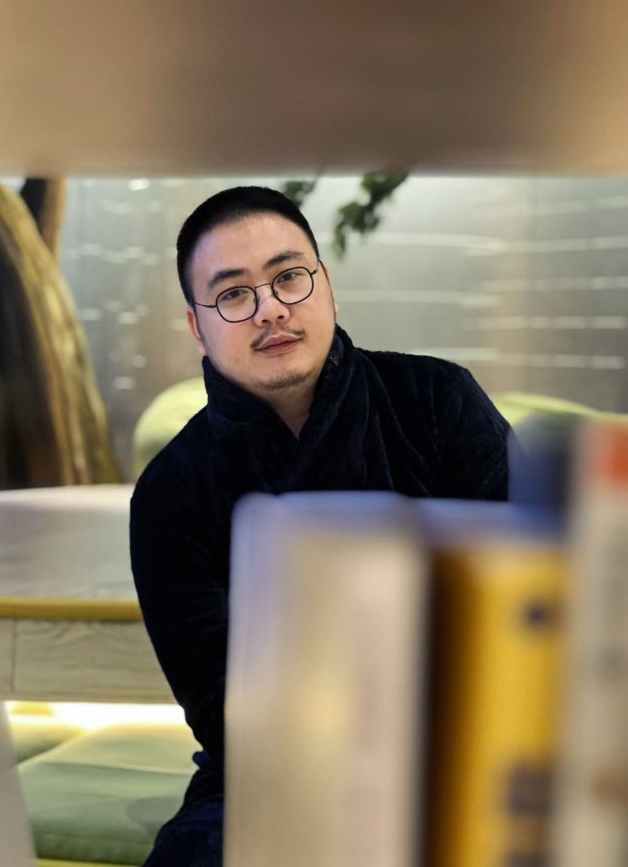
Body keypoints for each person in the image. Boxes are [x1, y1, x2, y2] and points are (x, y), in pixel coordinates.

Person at [130, 185, 511, 866]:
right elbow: (226, 711)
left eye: (288, 277)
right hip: (271, 775)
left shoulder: (438, 402)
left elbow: (517, 612)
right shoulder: (171, 490)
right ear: (197, 327)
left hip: (467, 746)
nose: (271, 308)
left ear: (326, 286)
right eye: (234, 293)